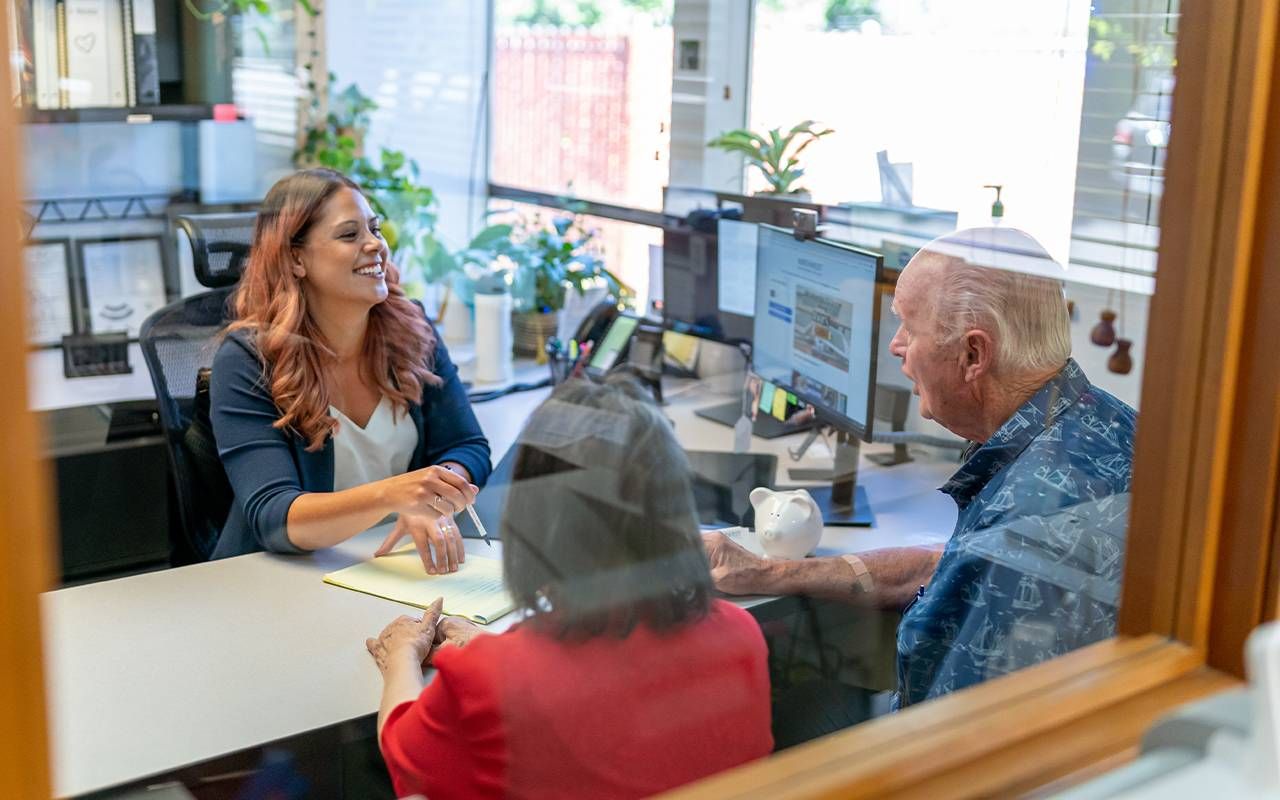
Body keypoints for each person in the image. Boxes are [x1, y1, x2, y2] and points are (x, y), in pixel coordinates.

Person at [703, 227, 1136, 718]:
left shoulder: (1025, 524)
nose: (896, 345)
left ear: (974, 356)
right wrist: (773, 572)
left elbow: (955, 752)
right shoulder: (1100, 422)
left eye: (909, 326)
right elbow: (952, 566)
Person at [366, 378, 773, 799]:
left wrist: (401, 657)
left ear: (532, 517)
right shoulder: (741, 634)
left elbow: (404, 753)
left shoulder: (492, 682)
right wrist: (495, 652)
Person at [210, 168, 491, 572]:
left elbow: (468, 445)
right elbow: (275, 517)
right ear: (296, 258)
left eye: (375, 229)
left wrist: (435, 493)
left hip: (389, 569)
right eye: (349, 234)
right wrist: (395, 495)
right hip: (276, 580)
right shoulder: (248, 360)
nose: (375, 244)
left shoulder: (412, 331)